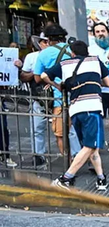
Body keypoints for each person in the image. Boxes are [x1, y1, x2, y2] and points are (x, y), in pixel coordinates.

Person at [43, 41, 109, 191]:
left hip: (75, 110)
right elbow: (108, 82)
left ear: (72, 53)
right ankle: (66, 178)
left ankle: (101, 178)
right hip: (92, 108)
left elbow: (43, 75)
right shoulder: (95, 61)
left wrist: (57, 86)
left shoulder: (65, 63)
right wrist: (92, 81)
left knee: (91, 147)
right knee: (90, 146)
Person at [33, 24, 82, 159]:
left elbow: (37, 78)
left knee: (61, 133)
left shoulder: (44, 54)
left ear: (48, 40)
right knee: (77, 130)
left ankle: (70, 163)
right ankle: (83, 157)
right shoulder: (73, 49)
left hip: (59, 98)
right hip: (79, 95)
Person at [88, 22, 109, 153]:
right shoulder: (90, 51)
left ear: (108, 32)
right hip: (99, 91)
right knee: (98, 119)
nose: (101, 33)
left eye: (103, 31)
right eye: (97, 31)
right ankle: (97, 144)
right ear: (93, 34)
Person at [20, 33, 50, 168]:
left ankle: (73, 155)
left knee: (65, 129)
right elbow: (24, 75)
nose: (46, 44)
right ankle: (39, 155)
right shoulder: (31, 57)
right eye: (44, 41)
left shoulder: (59, 54)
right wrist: (35, 73)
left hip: (57, 95)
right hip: (38, 96)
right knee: (37, 127)